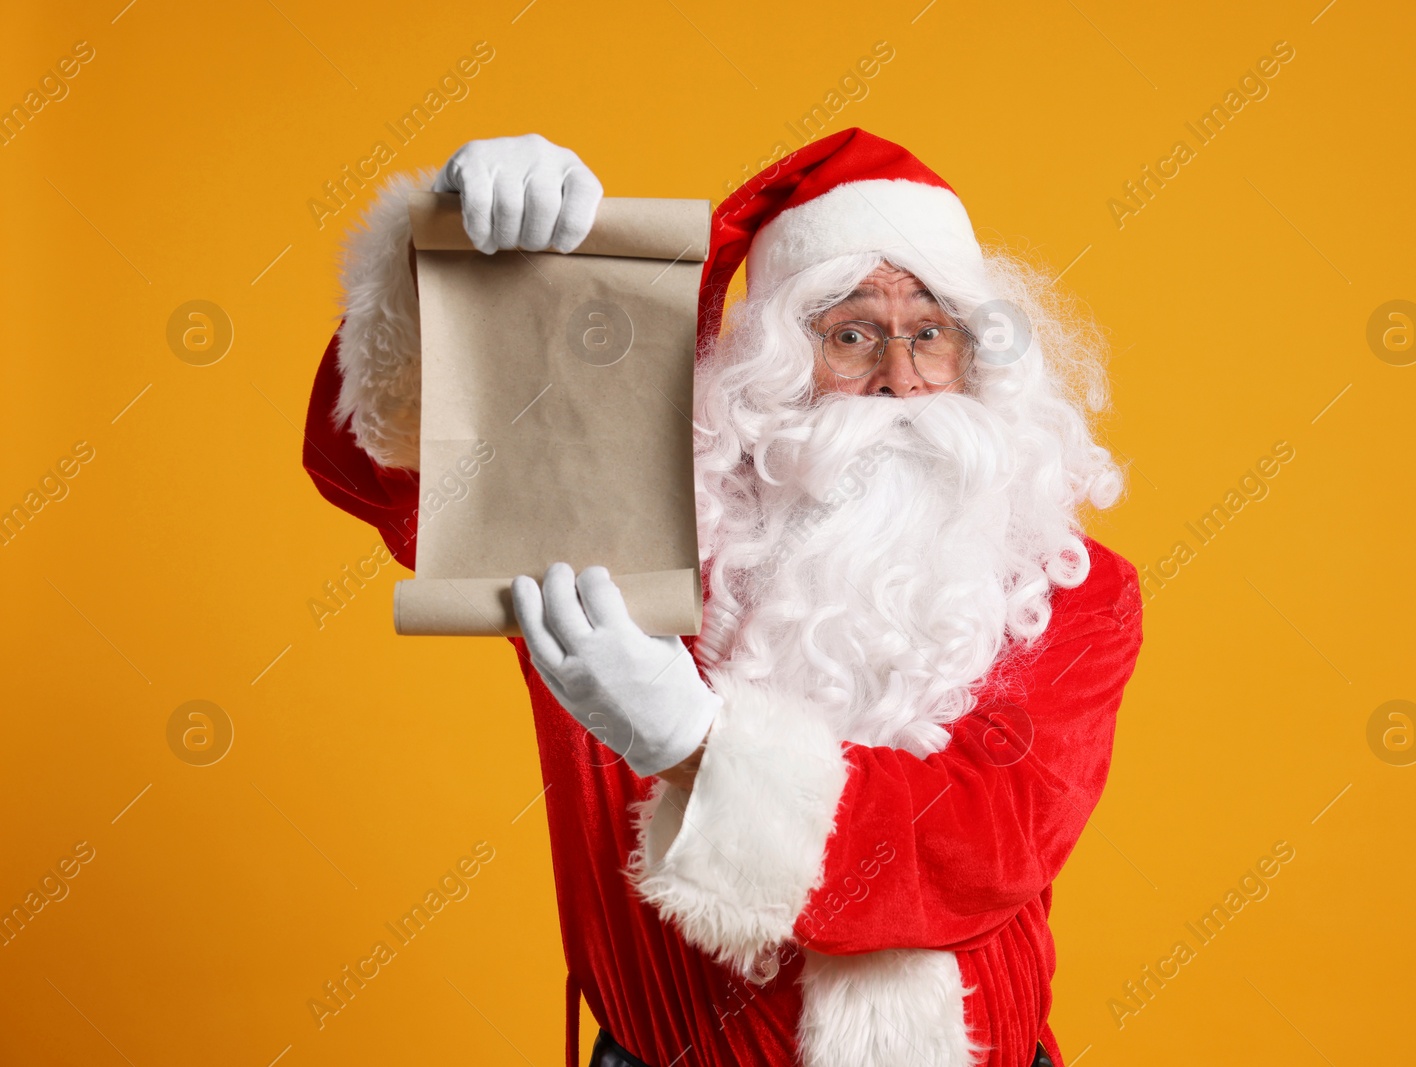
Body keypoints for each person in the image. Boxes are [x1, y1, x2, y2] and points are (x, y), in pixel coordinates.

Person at [302, 127, 1143, 1067]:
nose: (900, 380)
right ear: (777, 364)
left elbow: (982, 844)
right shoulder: (634, 547)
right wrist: (453, 265)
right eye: (853, 333)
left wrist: (692, 742)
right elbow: (395, 474)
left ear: (975, 356)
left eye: (930, 332)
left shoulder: (1073, 590)